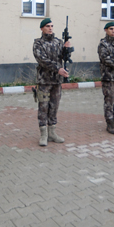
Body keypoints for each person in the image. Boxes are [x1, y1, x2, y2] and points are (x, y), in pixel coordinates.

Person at [33, 18, 71, 146]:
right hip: (44, 81)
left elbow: (64, 58)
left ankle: (52, 133)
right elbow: (42, 60)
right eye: (47, 26)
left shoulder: (58, 42)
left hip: (56, 81)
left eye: (52, 26)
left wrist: (67, 50)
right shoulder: (38, 43)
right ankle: (43, 134)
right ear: (42, 28)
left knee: (54, 107)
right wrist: (58, 68)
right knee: (43, 107)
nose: (50, 28)